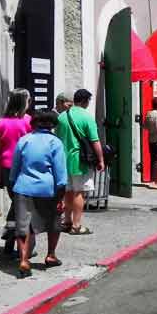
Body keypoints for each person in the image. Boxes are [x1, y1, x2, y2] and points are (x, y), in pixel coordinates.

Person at [9, 110, 67, 278]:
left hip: (23, 188)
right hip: (48, 189)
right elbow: (60, 173)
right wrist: (60, 196)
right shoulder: (55, 143)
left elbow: (15, 168)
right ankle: (50, 255)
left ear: (33, 123)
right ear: (52, 125)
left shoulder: (24, 140)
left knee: (24, 225)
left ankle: (24, 260)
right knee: (54, 222)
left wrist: (12, 185)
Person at [55, 89, 104, 235]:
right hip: (79, 161)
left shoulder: (62, 116)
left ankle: (67, 221)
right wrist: (100, 159)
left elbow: (57, 138)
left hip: (63, 160)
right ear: (85, 101)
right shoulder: (87, 117)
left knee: (68, 192)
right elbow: (95, 141)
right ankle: (76, 225)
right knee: (79, 193)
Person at [0, 89, 32, 256]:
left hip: (6, 168)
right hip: (23, 169)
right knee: (23, 206)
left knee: (16, 203)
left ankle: (9, 242)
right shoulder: (28, 121)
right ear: (23, 102)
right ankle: (23, 246)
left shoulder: (1, 123)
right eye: (28, 101)